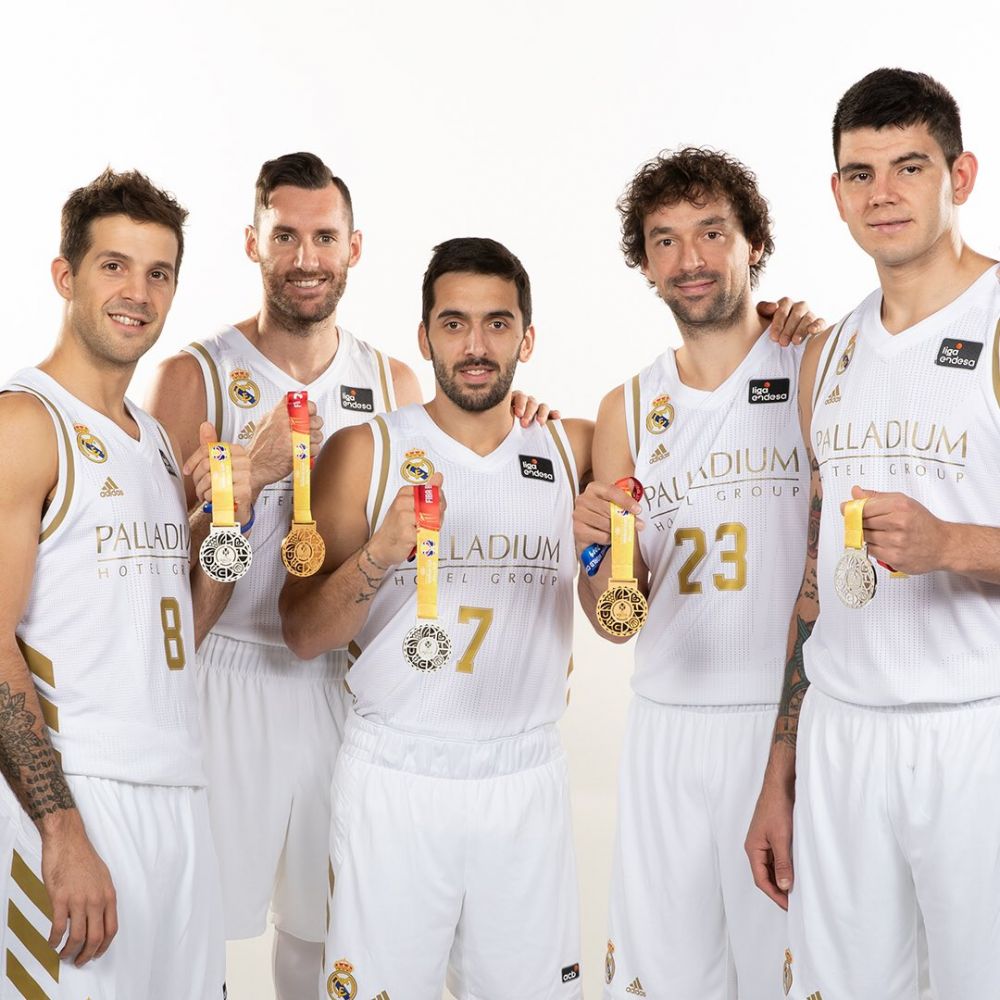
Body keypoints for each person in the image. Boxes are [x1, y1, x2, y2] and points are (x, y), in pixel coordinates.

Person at [145, 153, 552, 999]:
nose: (305, 256)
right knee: (201, 925)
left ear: (354, 247)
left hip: (341, 677)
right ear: (252, 242)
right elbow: (154, 572)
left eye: (323, 236)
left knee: (326, 927)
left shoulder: (389, 377)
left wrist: (529, 420)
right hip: (230, 671)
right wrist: (231, 485)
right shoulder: (196, 373)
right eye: (285, 235)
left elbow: (470, 445)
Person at [280, 237, 592, 1000]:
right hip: (398, 775)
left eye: (497, 323)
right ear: (423, 338)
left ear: (527, 336)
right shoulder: (368, 449)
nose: (476, 346)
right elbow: (300, 632)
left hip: (524, 777)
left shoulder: (571, 443)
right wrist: (379, 556)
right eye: (453, 324)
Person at [746, 68, 1000, 999]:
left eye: (910, 167)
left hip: (975, 728)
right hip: (844, 736)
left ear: (960, 176)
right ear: (836, 192)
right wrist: (781, 769)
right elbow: (813, 578)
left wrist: (952, 547)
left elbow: (944, 544)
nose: (883, 194)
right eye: (860, 174)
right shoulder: (829, 352)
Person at [573, 147, 824, 999]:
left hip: (787, 721)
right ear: (644, 264)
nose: (690, 260)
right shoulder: (628, 407)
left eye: (712, 232)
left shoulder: (813, 365)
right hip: (667, 729)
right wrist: (602, 553)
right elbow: (616, 618)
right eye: (666, 240)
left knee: (790, 975)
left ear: (754, 242)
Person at [0, 168, 249, 998]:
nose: (137, 292)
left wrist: (227, 526)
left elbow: (180, 628)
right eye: (113, 266)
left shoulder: (148, 441)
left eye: (159, 272)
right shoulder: (24, 422)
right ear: (65, 276)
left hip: (178, 791)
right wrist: (60, 830)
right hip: (78, 798)